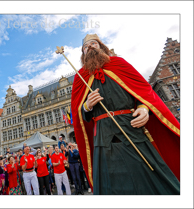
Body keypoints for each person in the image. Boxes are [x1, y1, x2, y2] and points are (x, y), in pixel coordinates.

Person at [71, 33, 180, 195]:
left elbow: (143, 92)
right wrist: (86, 106)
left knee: (149, 174)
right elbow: (78, 114)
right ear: (83, 54)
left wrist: (144, 108)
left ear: (101, 47)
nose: (89, 48)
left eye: (93, 44)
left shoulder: (118, 64)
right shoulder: (81, 77)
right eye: (85, 47)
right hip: (103, 137)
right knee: (110, 183)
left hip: (131, 128)